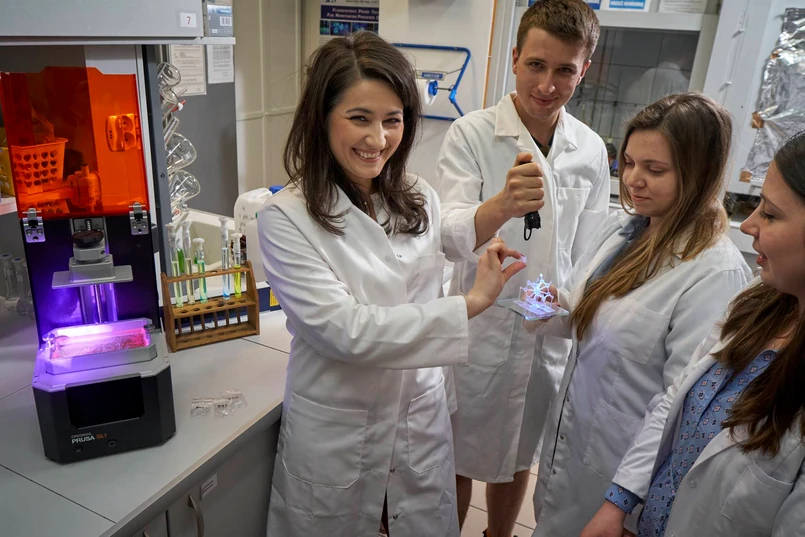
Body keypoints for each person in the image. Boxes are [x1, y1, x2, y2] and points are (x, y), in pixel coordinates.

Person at [256, 32, 525, 537]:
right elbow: (346, 331)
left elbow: (442, 237)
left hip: (418, 419)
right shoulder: (285, 217)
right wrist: (468, 304)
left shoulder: (415, 193)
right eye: (359, 118)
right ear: (321, 118)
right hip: (338, 429)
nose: (378, 139)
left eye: (392, 120)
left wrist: (501, 213)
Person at [528, 93, 752, 537]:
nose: (633, 180)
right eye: (629, 163)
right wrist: (533, 296)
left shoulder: (714, 273)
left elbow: (682, 408)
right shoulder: (622, 231)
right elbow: (583, 314)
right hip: (571, 451)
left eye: (655, 169)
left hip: (623, 481)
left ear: (699, 173)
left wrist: (624, 502)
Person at [433, 2, 610, 535]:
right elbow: (448, 233)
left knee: (517, 455)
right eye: (536, 64)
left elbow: (589, 251)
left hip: (543, 326)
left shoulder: (589, 150)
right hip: (479, 325)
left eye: (564, 70)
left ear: (584, 69)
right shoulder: (472, 134)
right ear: (514, 58)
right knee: (458, 453)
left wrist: (559, 304)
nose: (547, 85)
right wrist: (502, 206)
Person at [581, 130, 805, 537]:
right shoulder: (758, 301)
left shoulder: (717, 270)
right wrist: (621, 501)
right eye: (628, 163)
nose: (749, 224)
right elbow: (677, 399)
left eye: (771, 215)